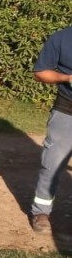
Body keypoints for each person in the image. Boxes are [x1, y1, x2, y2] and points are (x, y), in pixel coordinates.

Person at [31, 24, 72, 233]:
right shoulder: (61, 38)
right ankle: (41, 212)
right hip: (67, 111)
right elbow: (41, 72)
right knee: (52, 164)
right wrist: (67, 78)